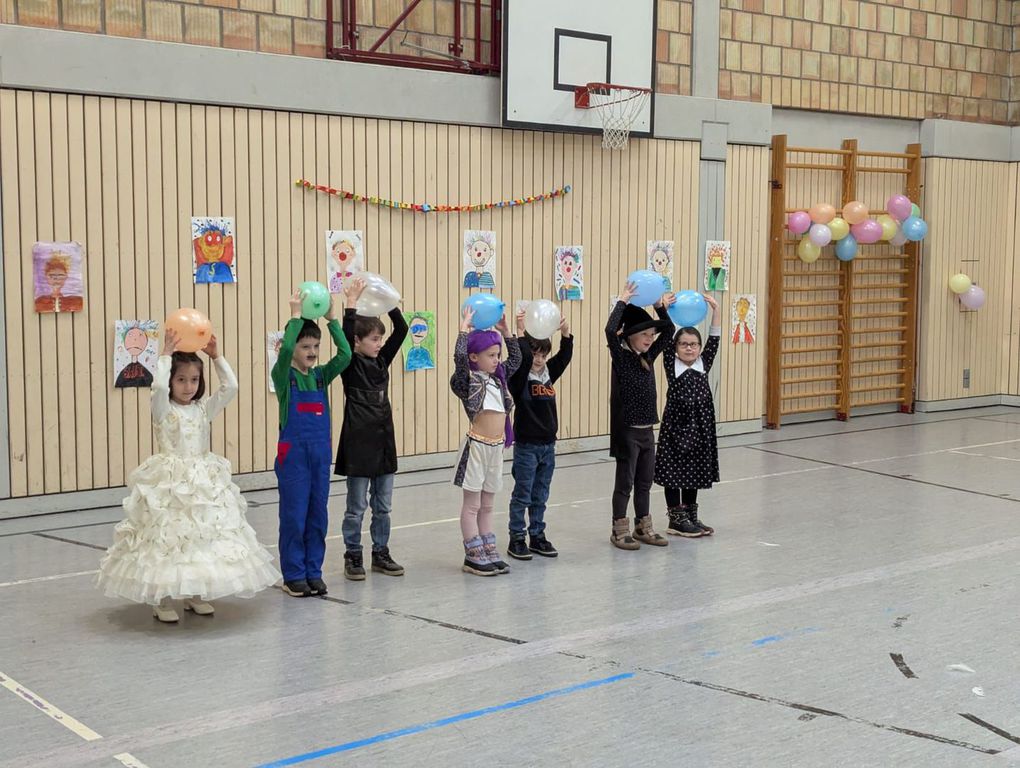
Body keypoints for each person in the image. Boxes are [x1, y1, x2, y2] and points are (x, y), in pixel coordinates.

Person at [98, 329, 280, 622]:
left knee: (200, 536)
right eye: (181, 380)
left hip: (202, 480)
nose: (188, 386)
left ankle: (195, 593)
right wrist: (165, 356)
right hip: (170, 483)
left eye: (194, 380)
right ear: (171, 381)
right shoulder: (162, 409)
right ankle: (161, 598)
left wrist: (217, 357)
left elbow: (231, 387)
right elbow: (158, 388)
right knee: (167, 539)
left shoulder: (203, 409)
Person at [271, 290, 351, 598]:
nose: (312, 351)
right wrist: (295, 316)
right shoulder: (283, 376)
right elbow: (285, 352)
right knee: (294, 515)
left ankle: (313, 572)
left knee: (318, 514)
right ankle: (293, 575)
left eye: (316, 346)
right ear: (291, 348)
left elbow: (345, 355)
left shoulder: (320, 377)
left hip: (319, 456)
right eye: (305, 346)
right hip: (293, 457)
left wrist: (332, 320)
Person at [335, 277, 408, 580]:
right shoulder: (350, 364)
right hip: (358, 444)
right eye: (374, 339)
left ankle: (381, 552)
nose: (379, 344)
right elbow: (344, 336)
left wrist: (390, 304)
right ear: (357, 342)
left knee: (383, 506)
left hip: (383, 442)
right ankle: (353, 554)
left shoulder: (381, 362)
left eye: (380, 339)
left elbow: (401, 330)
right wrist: (351, 305)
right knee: (356, 507)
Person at [450, 308, 521, 575]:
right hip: (477, 447)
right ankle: (473, 554)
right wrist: (463, 331)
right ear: (474, 357)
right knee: (473, 505)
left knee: (488, 504)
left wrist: (506, 333)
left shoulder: (498, 380)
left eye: (497, 355)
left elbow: (517, 359)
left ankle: (488, 548)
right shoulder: (467, 381)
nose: (496, 360)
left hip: (495, 447)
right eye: (491, 355)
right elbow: (459, 360)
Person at [605, 283, 675, 550]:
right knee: (625, 483)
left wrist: (659, 306)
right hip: (628, 432)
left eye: (651, 334)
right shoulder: (621, 358)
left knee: (644, 482)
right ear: (630, 336)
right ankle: (619, 528)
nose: (649, 339)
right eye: (644, 334)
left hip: (647, 431)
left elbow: (669, 331)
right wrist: (622, 302)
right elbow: (610, 331)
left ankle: (643, 526)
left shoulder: (649, 356)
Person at [505, 314, 573, 560]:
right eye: (535, 354)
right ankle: (517, 538)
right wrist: (521, 331)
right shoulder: (520, 377)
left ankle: (537, 535)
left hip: (548, 446)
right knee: (522, 494)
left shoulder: (548, 373)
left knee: (540, 494)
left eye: (543, 355)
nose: (539, 359)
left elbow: (564, 357)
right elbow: (523, 358)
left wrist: (565, 334)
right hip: (527, 446)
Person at [656, 295, 722, 537]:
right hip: (677, 426)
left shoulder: (703, 363)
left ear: (700, 348)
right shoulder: (672, 364)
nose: (689, 348)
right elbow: (666, 333)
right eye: (683, 344)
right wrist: (661, 308)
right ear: (675, 348)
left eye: (694, 344)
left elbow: (714, 337)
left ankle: (690, 515)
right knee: (674, 470)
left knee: (694, 470)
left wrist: (716, 309)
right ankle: (676, 518)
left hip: (700, 426)